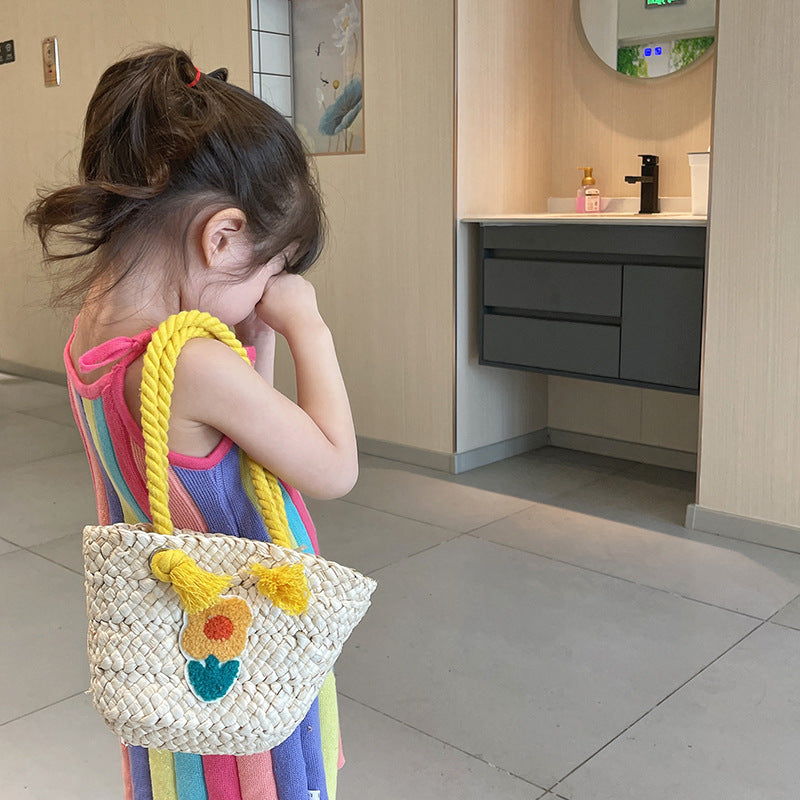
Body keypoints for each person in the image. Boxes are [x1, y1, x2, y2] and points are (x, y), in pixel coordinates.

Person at [27, 45, 358, 800]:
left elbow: (241, 440)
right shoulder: (191, 365)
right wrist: (309, 329)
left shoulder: (95, 334)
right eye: (273, 268)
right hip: (244, 662)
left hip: (176, 663)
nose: (274, 290)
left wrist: (256, 334)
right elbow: (334, 467)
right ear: (222, 237)